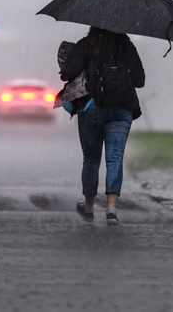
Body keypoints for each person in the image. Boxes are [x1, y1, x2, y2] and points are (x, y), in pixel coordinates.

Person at [59, 26, 145, 225]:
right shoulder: (127, 45)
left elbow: (66, 74)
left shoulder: (87, 44)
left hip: (92, 108)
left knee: (91, 159)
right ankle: (111, 210)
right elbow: (140, 81)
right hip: (122, 108)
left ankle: (88, 207)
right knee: (115, 159)